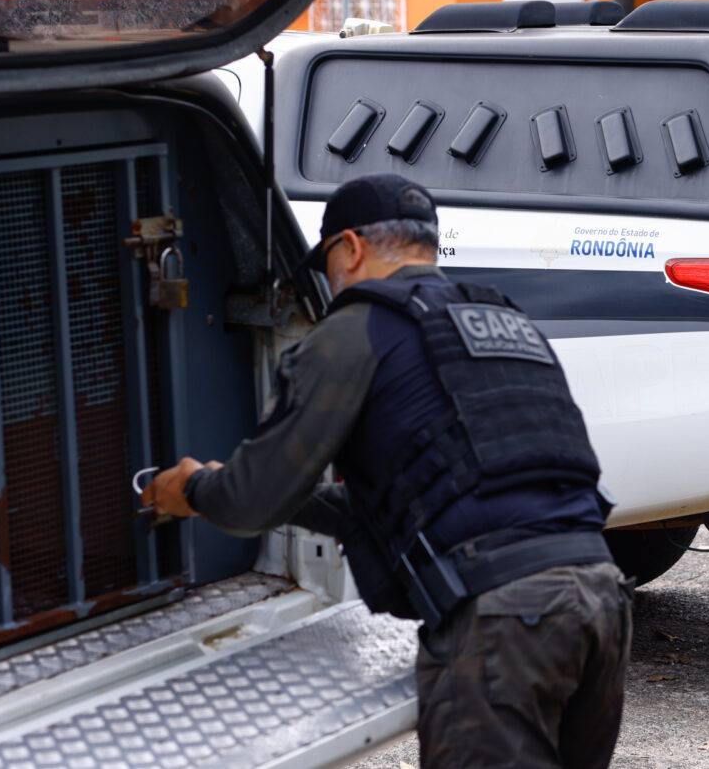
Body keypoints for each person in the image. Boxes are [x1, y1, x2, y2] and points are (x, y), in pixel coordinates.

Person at [140, 173, 633, 769]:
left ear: (350, 246)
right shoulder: (505, 322)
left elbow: (249, 503)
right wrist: (297, 498)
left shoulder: (355, 330)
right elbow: (440, 494)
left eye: (326, 265)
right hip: (601, 598)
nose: (330, 282)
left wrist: (192, 487)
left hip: (508, 619)